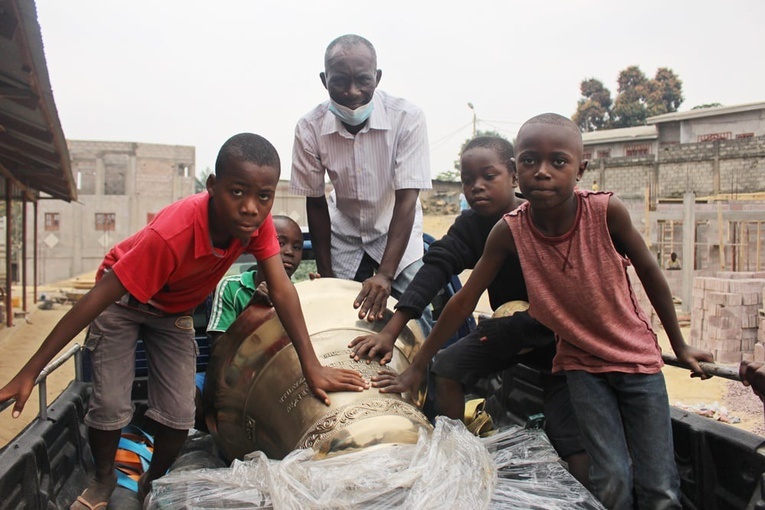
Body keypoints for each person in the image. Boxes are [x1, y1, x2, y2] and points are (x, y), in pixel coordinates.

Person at [0, 133, 367, 509]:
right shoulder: (172, 234)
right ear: (212, 187)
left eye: (264, 197)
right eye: (237, 192)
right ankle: (103, 478)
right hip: (124, 304)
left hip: (173, 311)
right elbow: (94, 301)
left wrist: (312, 366)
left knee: (179, 416)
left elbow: (284, 291)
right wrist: (31, 370)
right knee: (110, 405)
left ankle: (152, 481)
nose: (251, 208)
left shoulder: (257, 225)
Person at [373, 113, 714, 510]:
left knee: (658, 486)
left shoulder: (605, 213)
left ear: (580, 168)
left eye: (558, 162)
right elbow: (461, 295)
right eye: (531, 161)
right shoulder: (508, 231)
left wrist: (680, 345)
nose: (543, 172)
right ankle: (464, 461)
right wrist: (416, 357)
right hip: (579, 363)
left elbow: (651, 273)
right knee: (613, 479)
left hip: (632, 358)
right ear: (519, 170)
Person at [349, 135, 590, 485]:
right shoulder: (472, 225)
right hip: (513, 328)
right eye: (467, 180)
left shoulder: (541, 216)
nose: (475, 187)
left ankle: (585, 497)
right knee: (447, 366)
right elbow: (437, 268)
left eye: (488, 177)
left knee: (568, 435)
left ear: (512, 175)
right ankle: (459, 461)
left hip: (563, 337)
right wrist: (393, 332)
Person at [290, 34, 432, 325]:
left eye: (363, 81)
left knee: (416, 320)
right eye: (340, 81)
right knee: (339, 323)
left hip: (397, 236)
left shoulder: (407, 118)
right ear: (324, 79)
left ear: (377, 78)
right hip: (344, 238)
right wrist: (327, 276)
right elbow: (315, 203)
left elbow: (407, 201)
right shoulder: (309, 127)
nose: (352, 92)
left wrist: (385, 275)